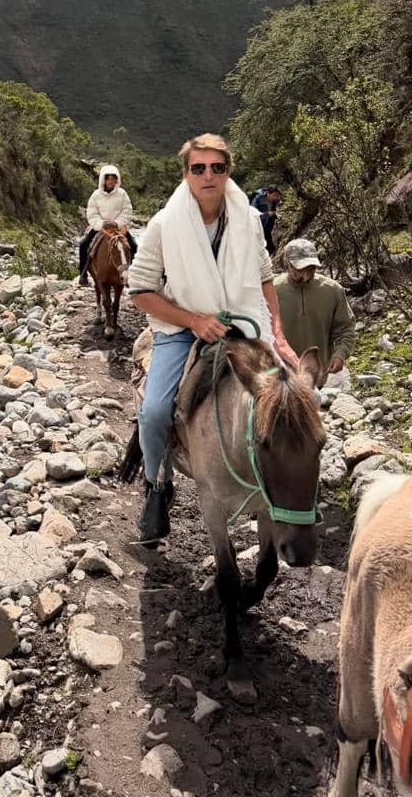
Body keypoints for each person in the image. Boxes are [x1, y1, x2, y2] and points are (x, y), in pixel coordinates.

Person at [128, 134, 299, 543]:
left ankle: (285, 485)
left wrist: (278, 332)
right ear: (186, 173)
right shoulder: (164, 225)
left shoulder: (249, 221)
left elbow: (263, 276)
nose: (208, 175)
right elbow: (139, 290)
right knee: (153, 411)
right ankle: (155, 484)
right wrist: (193, 320)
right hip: (182, 331)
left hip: (245, 323)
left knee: (295, 397)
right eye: (198, 168)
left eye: (217, 168)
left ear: (228, 172)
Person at [273, 238, 356, 375]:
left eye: (311, 268)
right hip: (281, 375)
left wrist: (340, 354)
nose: (306, 275)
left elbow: (346, 328)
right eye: (300, 269)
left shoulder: (333, 290)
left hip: (317, 375)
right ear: (287, 264)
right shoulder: (272, 291)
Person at [79, 164, 136, 285]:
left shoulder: (122, 194)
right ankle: (83, 273)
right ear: (103, 179)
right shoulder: (96, 195)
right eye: (108, 178)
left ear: (117, 179)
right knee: (83, 245)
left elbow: (127, 210)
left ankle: (135, 274)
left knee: (134, 245)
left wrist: (117, 222)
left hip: (118, 228)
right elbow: (92, 213)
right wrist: (102, 224)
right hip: (101, 228)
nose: (110, 181)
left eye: (113, 178)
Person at [249, 184, 282, 254]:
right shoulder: (257, 198)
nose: (275, 198)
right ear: (268, 194)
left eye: (277, 196)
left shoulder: (274, 200)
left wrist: (276, 214)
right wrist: (267, 214)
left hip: (268, 224)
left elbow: (274, 211)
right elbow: (252, 215)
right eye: (274, 195)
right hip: (257, 225)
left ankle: (272, 250)